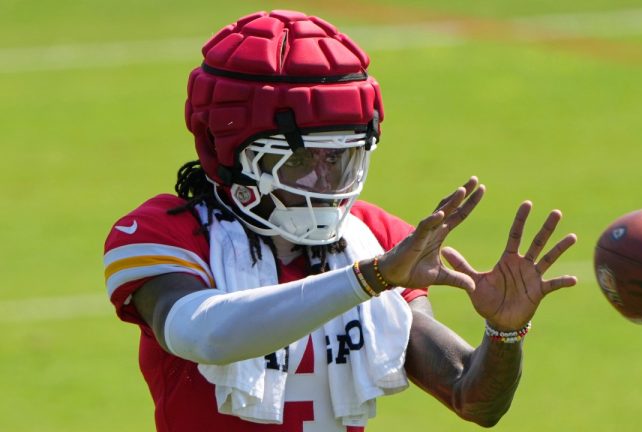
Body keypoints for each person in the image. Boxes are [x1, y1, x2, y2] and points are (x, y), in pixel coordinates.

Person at [103, 10, 578, 432]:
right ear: (230, 154)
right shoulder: (166, 232)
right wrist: (368, 279)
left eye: (340, 158)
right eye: (300, 160)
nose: (324, 180)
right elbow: (204, 334)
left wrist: (504, 332)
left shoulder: (377, 239)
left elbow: (472, 398)